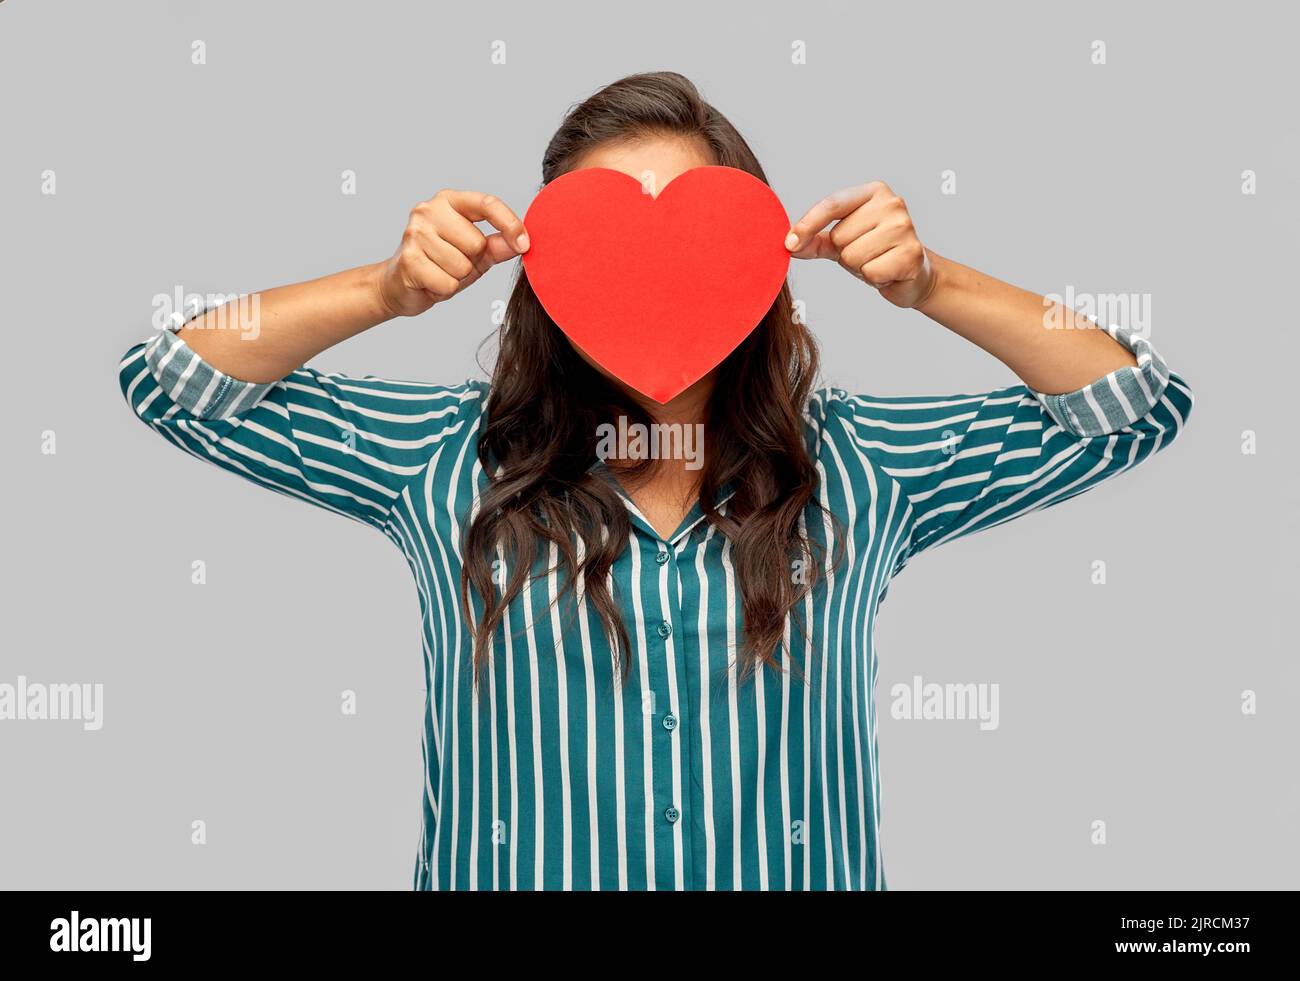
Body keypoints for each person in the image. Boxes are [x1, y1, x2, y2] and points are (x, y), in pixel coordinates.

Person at [118, 71, 1192, 890]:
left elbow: (1132, 409)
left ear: (760, 256)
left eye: (686, 219)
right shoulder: (446, 455)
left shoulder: (858, 466)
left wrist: (929, 282)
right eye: (605, 229)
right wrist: (385, 288)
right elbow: (172, 383)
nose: (651, 263)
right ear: (542, 270)